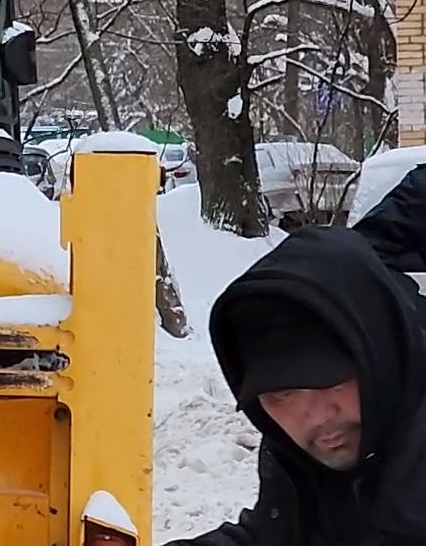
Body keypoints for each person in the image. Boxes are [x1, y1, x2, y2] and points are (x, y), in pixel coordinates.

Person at [163, 169, 426, 545]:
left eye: (331, 382)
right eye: (281, 395)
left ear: (380, 356)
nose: (315, 415)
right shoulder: (303, 448)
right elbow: (277, 534)